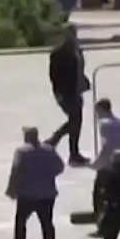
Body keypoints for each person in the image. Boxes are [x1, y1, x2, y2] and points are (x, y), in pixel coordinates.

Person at [6, 126, 65, 239]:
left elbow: (16, 171)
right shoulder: (49, 150)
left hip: (27, 194)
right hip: (47, 194)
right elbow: (60, 167)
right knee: (47, 224)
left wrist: (11, 189)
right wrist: (48, 175)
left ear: (26, 137)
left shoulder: (21, 152)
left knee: (21, 221)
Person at [91, 98, 120, 235]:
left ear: (100, 109)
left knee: (100, 196)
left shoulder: (103, 124)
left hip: (108, 165)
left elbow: (107, 145)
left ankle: (102, 225)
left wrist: (98, 162)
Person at [47, 24, 91, 166]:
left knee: (76, 122)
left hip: (76, 89)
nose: (73, 36)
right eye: (70, 33)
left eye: (74, 33)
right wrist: (58, 92)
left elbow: (80, 68)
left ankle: (71, 151)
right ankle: (57, 141)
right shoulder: (58, 53)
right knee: (75, 120)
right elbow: (54, 76)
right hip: (65, 91)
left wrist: (83, 81)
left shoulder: (77, 50)